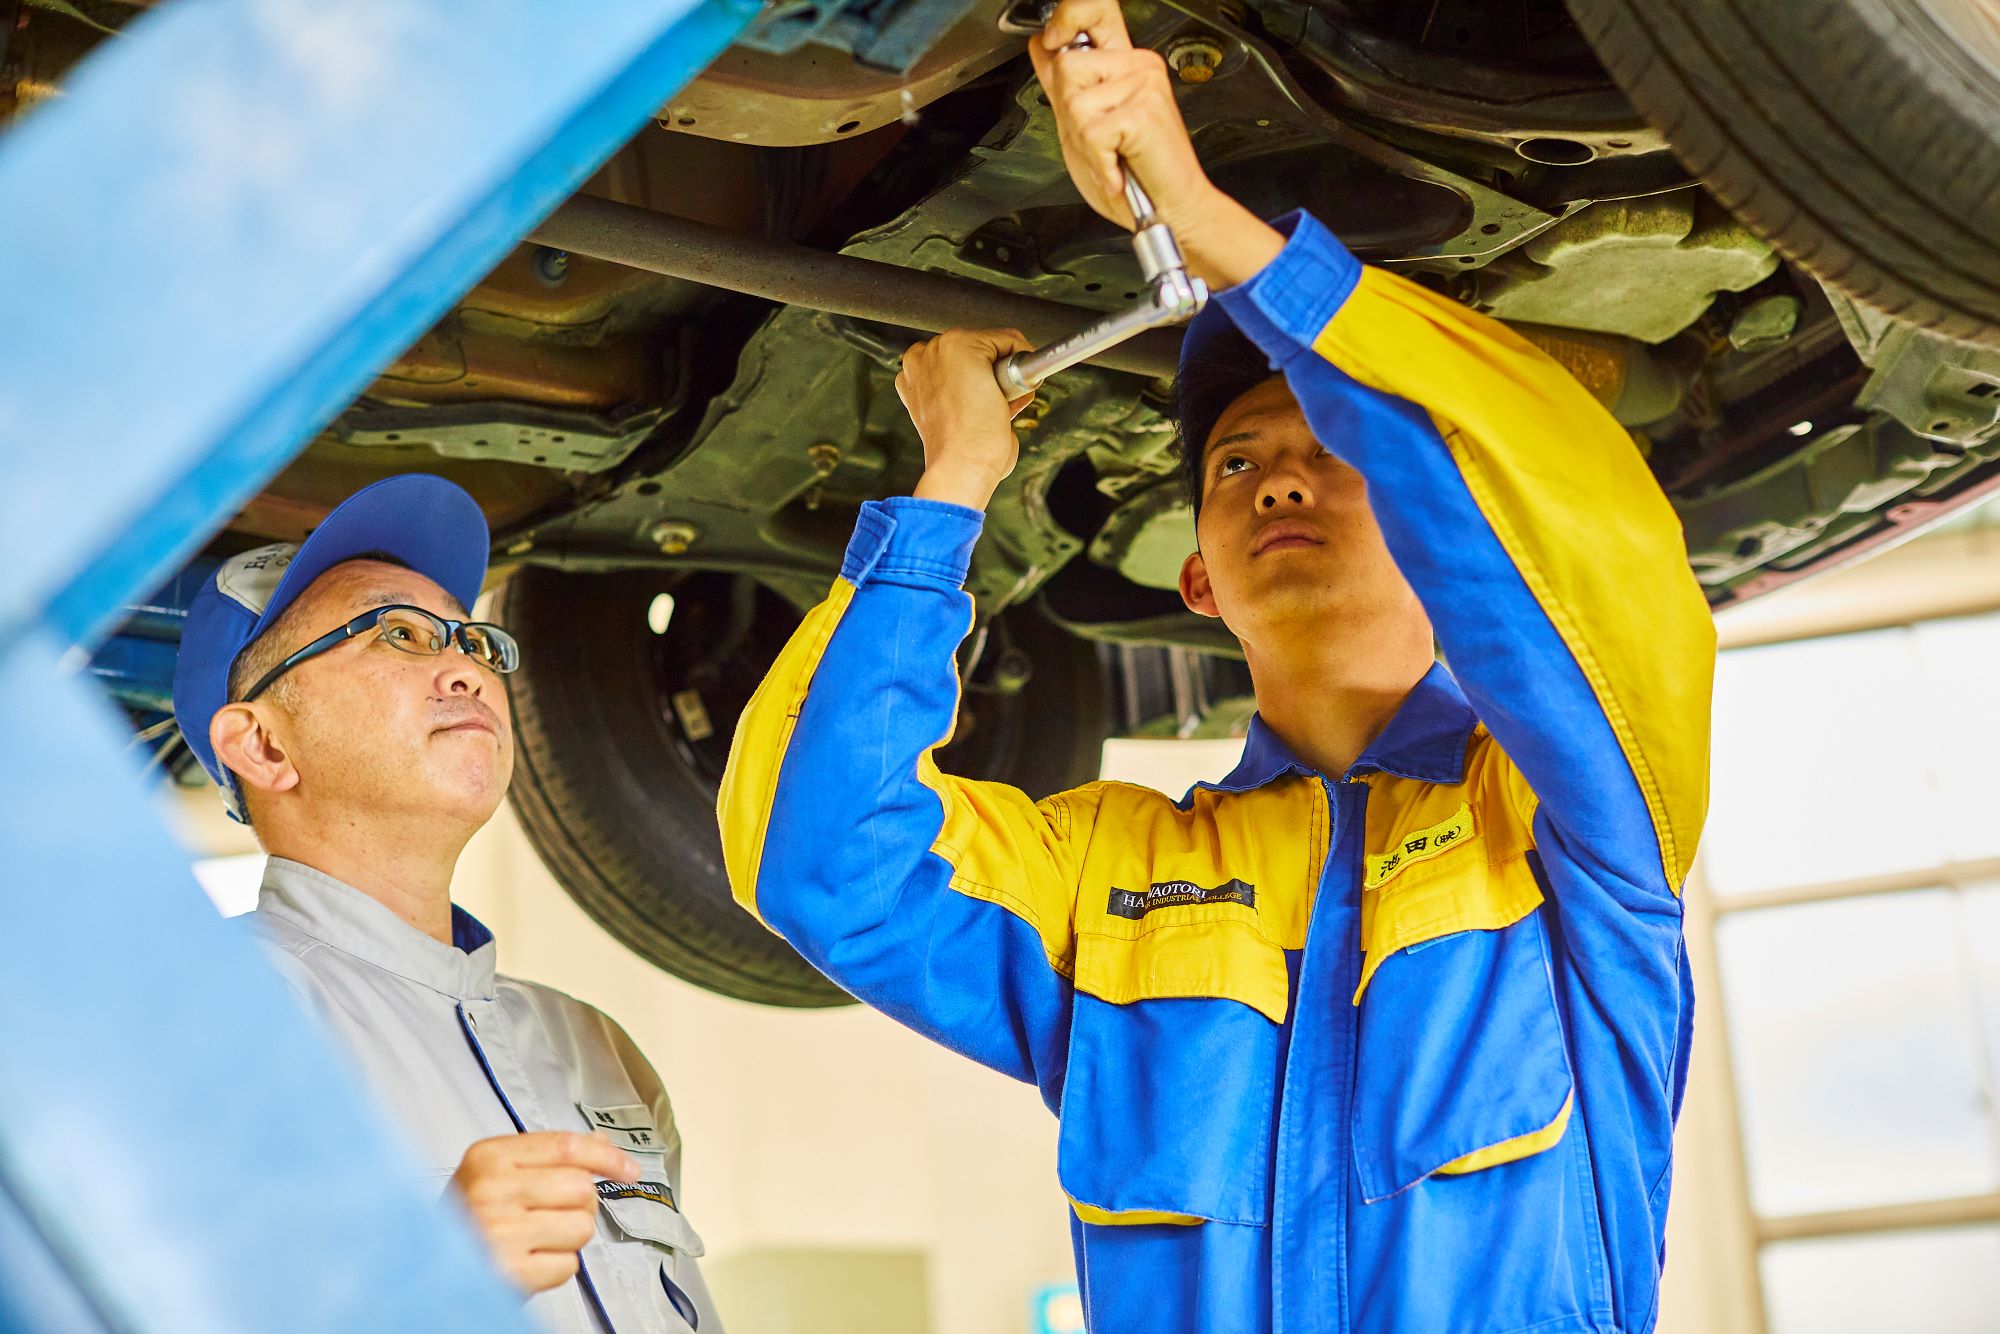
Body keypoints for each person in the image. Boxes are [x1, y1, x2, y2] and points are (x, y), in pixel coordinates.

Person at [717, 1, 1715, 1330]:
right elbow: (819, 851)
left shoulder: (1556, 824)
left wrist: (1198, 214)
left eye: (1334, 449)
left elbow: (1575, 550)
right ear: (1199, 579)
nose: (1280, 474)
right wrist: (952, 483)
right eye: (1234, 462)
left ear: (1429, 527)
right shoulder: (1107, 876)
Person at [172, 474, 719, 1333]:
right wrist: (424, 1288)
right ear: (265, 744)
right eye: (398, 634)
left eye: (475, 642)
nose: (466, 667)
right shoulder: (192, 1025)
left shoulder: (597, 1051)